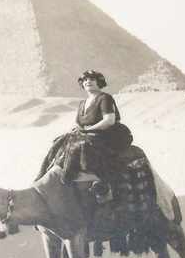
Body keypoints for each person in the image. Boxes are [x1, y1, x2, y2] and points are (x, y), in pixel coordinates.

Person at [49, 70, 134, 199]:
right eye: (85, 80)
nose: (88, 82)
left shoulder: (104, 98)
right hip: (88, 133)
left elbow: (109, 120)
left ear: (99, 82)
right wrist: (76, 129)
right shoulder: (82, 103)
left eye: (92, 79)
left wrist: (89, 130)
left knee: (84, 144)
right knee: (60, 141)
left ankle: (103, 182)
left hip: (109, 133)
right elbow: (79, 123)